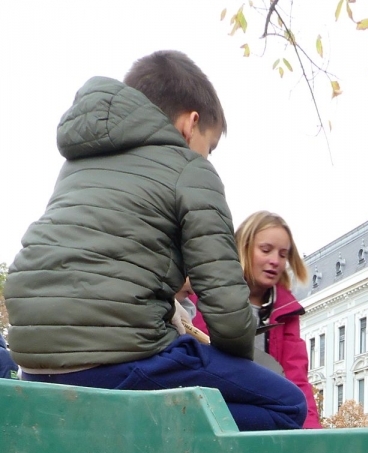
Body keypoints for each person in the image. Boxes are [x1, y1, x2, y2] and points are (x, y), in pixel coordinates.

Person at [5, 51, 305, 432]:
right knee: (285, 406)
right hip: (119, 360)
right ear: (190, 124)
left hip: (34, 364)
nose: (207, 157)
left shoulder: (79, 165)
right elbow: (227, 310)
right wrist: (239, 360)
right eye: (210, 146)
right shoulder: (190, 169)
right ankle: (159, 442)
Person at [192, 211, 322, 428]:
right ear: (244, 247)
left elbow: (296, 378)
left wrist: (310, 435)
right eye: (266, 250)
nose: (275, 261)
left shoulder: (286, 311)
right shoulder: (206, 297)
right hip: (214, 406)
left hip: (263, 411)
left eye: (283, 255)